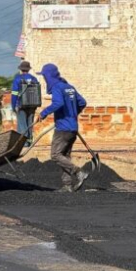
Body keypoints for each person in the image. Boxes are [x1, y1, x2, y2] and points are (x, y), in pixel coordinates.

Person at [34, 63, 89, 192]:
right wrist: (73, 113)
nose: (45, 79)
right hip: (72, 128)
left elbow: (58, 103)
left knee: (55, 155)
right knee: (65, 156)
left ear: (49, 76)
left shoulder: (58, 88)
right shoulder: (70, 87)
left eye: (45, 76)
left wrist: (43, 113)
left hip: (63, 128)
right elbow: (82, 102)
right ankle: (67, 185)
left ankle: (78, 172)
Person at [11, 61, 39, 147]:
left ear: (21, 69)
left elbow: (14, 94)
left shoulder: (18, 79)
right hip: (33, 105)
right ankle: (30, 141)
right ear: (28, 69)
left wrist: (13, 106)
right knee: (30, 123)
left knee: (22, 124)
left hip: (21, 105)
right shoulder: (34, 79)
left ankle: (24, 142)